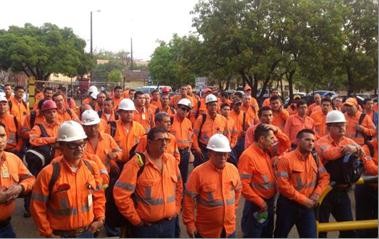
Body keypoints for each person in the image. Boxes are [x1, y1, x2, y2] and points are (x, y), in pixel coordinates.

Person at [30, 121, 106, 238]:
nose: (79, 148)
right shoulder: (48, 173)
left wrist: (100, 218)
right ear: (61, 145)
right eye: (73, 145)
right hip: (61, 235)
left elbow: (98, 196)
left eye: (82, 143)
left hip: (87, 232)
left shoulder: (91, 168)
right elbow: (37, 206)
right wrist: (48, 233)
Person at [113, 127, 183, 238]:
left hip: (169, 224)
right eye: (160, 140)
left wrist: (176, 209)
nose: (164, 143)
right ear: (149, 142)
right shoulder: (136, 164)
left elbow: (179, 187)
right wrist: (136, 220)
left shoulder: (171, 161)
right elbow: (121, 195)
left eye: (167, 140)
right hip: (146, 229)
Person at [183, 134, 241, 238]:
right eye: (218, 154)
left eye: (225, 154)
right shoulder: (198, 173)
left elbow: (237, 191)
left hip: (229, 229)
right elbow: (188, 199)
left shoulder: (233, 169)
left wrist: (231, 210)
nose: (223, 157)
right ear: (209, 153)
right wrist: (189, 223)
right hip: (207, 232)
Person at [274, 129, 330, 238]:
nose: (311, 143)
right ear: (298, 141)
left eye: (313, 141)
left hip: (308, 206)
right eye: (307, 140)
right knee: (280, 235)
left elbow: (325, 177)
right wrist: (305, 201)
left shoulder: (315, 158)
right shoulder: (286, 159)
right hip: (288, 206)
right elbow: (283, 186)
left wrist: (316, 194)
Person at [315, 110, 362, 238]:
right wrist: (346, 149)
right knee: (321, 230)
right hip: (324, 192)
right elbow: (329, 154)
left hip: (342, 191)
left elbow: (362, 152)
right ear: (328, 127)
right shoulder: (320, 142)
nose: (342, 128)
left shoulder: (348, 141)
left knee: (349, 230)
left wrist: (356, 149)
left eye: (343, 125)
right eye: (337, 125)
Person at [238, 124, 278, 237]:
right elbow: (243, 185)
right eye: (271, 138)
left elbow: (286, 144)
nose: (274, 141)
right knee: (254, 233)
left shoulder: (266, 152)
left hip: (268, 203)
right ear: (261, 139)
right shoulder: (248, 156)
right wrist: (260, 202)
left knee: (267, 233)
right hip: (257, 206)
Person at [0, 122, 35, 238]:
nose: (0, 140)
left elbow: (31, 179)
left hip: (6, 227)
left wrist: (20, 187)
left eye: (2, 136)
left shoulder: (13, 159)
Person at [192, 94, 229, 167]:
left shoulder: (223, 119)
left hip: (218, 150)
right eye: (211, 105)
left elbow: (226, 135)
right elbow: (194, 134)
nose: (213, 107)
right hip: (204, 150)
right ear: (207, 106)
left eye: (215, 105)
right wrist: (197, 148)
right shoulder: (201, 119)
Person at [171, 98, 193, 185]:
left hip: (185, 153)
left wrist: (189, 151)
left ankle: (182, 194)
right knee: (172, 175)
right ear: (177, 108)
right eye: (183, 109)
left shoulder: (188, 122)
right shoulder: (170, 120)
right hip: (172, 154)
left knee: (183, 177)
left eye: (187, 110)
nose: (185, 111)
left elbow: (190, 138)